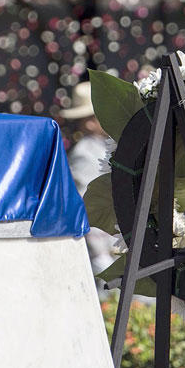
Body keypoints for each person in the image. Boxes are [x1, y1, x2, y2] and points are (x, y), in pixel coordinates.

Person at [58, 81, 120, 277]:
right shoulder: (85, 153)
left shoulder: (104, 146)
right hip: (106, 249)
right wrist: (100, 254)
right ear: (90, 121)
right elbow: (88, 206)